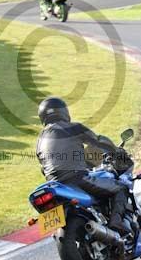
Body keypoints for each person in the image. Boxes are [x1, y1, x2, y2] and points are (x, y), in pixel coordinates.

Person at [36, 97, 134, 235]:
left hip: (56, 185)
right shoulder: (72, 128)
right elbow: (97, 141)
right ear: (64, 112)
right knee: (121, 187)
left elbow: (43, 168)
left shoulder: (39, 141)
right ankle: (116, 221)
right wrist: (116, 152)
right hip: (77, 178)